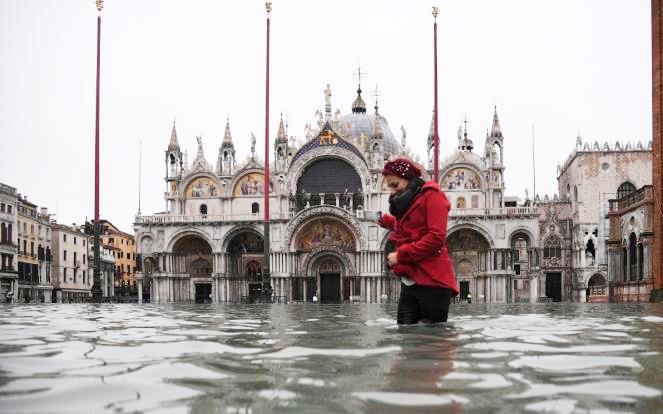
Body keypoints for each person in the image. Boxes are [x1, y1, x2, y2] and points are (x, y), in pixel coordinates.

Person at [377, 157, 459, 324]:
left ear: (408, 179)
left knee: (432, 340)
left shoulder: (433, 196)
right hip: (411, 279)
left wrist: (400, 256)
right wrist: (388, 221)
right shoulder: (408, 201)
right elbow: (413, 228)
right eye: (389, 187)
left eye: (395, 185)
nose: (392, 192)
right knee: (405, 336)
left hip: (433, 281)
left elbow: (435, 238)